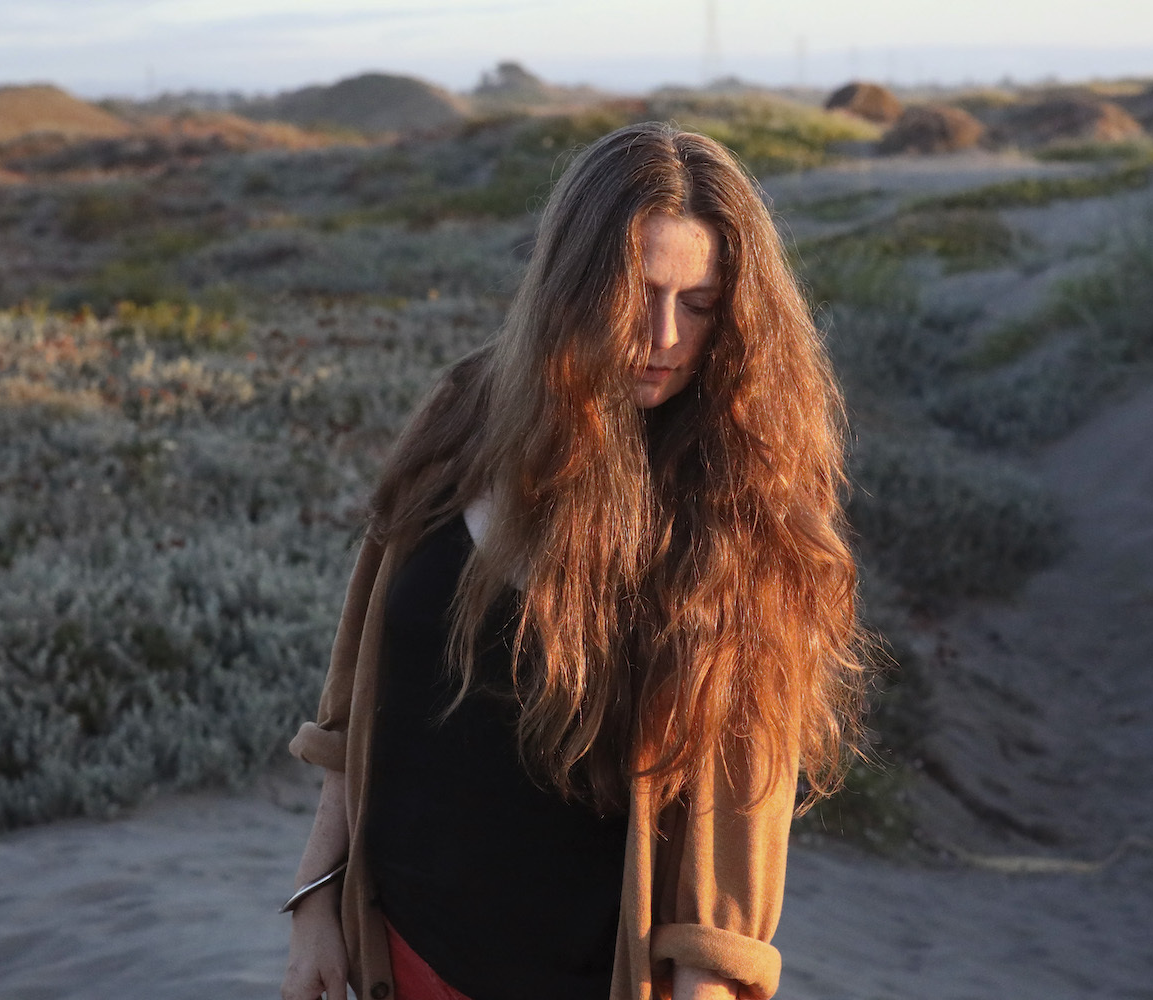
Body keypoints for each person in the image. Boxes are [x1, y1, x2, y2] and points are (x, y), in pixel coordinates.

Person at [279, 121, 868, 1000]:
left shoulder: (735, 512)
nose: (664, 334)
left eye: (700, 303)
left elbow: (730, 859)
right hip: (388, 952)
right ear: (572, 282)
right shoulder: (465, 417)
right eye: (636, 292)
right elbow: (361, 694)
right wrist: (315, 905)